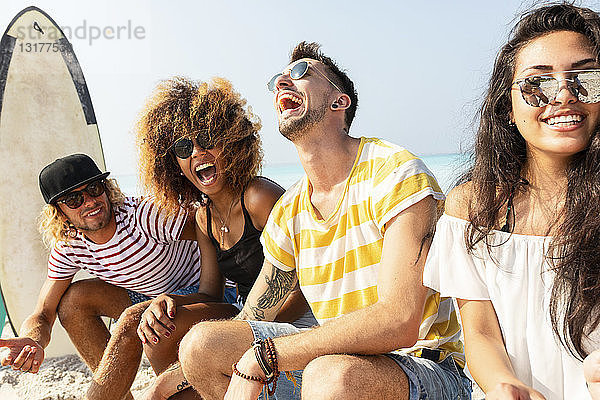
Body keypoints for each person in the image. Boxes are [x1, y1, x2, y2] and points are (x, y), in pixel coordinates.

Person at [175, 42, 471, 400]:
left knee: (330, 376)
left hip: (426, 367)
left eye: (301, 73)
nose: (284, 81)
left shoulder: (394, 172)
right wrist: (179, 378)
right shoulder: (290, 209)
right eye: (278, 79)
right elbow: (254, 315)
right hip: (331, 368)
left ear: (339, 101)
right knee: (202, 345)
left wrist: (268, 356)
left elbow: (400, 320)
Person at [85, 77, 312, 400]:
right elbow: (209, 291)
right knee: (159, 327)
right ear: (173, 165)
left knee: (162, 386)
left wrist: (241, 328)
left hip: (295, 319)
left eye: (207, 139)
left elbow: (309, 285)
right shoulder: (203, 218)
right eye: (183, 147)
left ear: (230, 143)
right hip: (244, 315)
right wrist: (169, 300)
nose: (197, 152)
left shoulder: (259, 197)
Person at [423, 4, 600, 399]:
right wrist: (507, 387)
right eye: (538, 84)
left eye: (586, 77)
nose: (566, 95)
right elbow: (481, 333)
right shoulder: (473, 207)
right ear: (507, 106)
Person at [0, 154, 201, 396]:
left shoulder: (146, 216)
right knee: (73, 302)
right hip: (151, 298)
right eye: (74, 199)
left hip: (201, 296)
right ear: (60, 213)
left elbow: (212, 231)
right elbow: (43, 313)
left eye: (94, 189)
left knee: (131, 319)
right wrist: (33, 340)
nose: (90, 202)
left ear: (107, 189)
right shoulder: (70, 245)